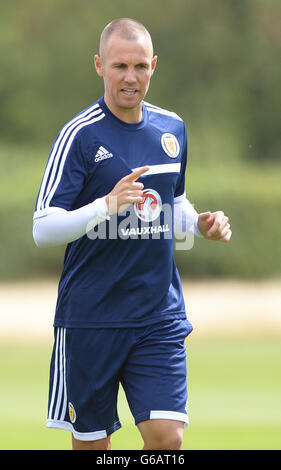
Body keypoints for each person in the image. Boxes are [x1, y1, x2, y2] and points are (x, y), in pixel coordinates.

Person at [33, 18, 231, 450]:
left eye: (140, 66)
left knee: (167, 438)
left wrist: (199, 224)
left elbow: (172, 203)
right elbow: (43, 229)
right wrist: (105, 205)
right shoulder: (78, 136)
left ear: (154, 66)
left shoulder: (172, 129)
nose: (130, 77)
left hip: (157, 314)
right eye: (120, 66)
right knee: (92, 445)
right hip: (91, 318)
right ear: (99, 66)